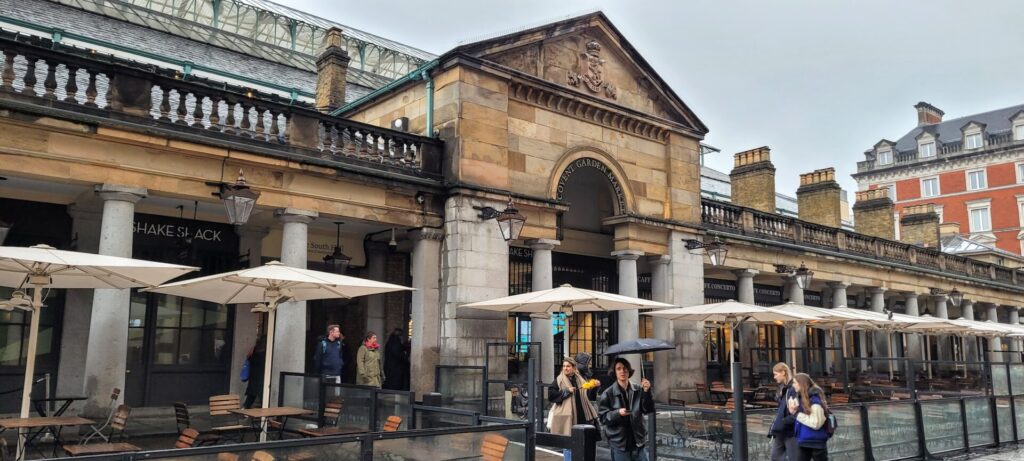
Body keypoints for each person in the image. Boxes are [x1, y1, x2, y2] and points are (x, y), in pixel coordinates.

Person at [598, 358, 654, 461]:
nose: (622, 371)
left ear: (629, 371)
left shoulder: (638, 389)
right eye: (618, 369)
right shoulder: (608, 393)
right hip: (620, 444)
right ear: (614, 372)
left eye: (625, 368)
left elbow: (648, 409)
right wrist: (617, 413)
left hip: (638, 442)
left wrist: (646, 392)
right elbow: (602, 418)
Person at [547, 357, 599, 436]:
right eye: (564, 366)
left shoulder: (580, 379)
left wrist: (594, 386)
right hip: (567, 415)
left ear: (574, 368)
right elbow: (551, 395)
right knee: (568, 437)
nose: (565, 368)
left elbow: (589, 395)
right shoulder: (559, 380)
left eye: (568, 366)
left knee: (581, 439)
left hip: (582, 413)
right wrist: (566, 391)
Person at [787, 373, 830, 461]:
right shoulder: (802, 398)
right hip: (804, 440)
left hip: (816, 442)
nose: (793, 385)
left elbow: (816, 423)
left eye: (795, 383)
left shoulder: (815, 400)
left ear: (802, 384)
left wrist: (796, 413)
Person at [769, 362, 798, 461]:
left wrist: (785, 421)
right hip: (781, 430)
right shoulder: (783, 389)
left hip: (790, 430)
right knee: (775, 456)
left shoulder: (793, 388)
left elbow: (798, 410)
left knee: (794, 457)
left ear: (783, 373)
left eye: (776, 374)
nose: (774, 377)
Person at [243, 338, 266, 408]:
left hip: (253, 375)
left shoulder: (253, 350)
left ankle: (245, 408)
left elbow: (248, 358)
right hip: (261, 376)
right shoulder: (265, 353)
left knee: (251, 395)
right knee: (262, 395)